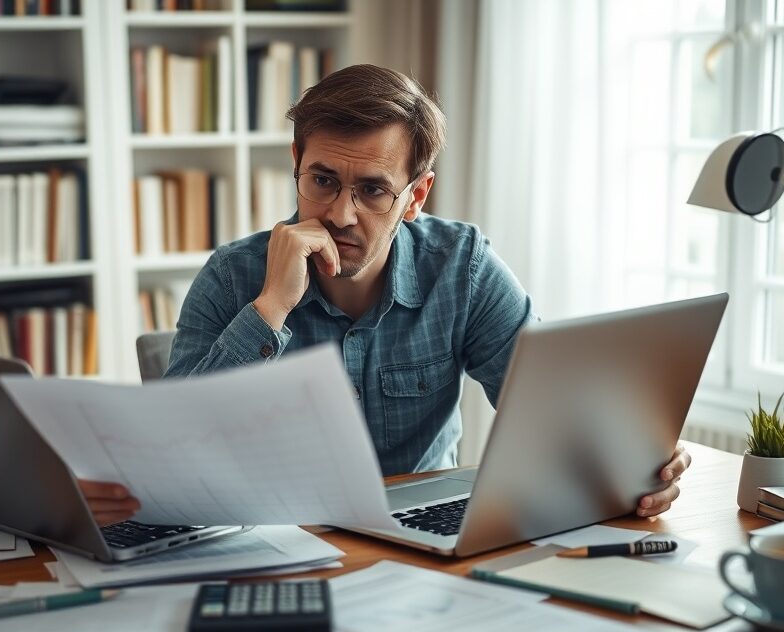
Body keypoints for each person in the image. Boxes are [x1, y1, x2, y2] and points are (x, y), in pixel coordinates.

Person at [78, 64, 691, 527]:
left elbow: (553, 416)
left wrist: (632, 465)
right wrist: (269, 308)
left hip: (420, 540)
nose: (340, 213)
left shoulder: (462, 268)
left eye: (373, 190)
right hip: (279, 538)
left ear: (417, 196)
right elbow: (167, 460)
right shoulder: (232, 276)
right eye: (322, 180)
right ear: (296, 162)